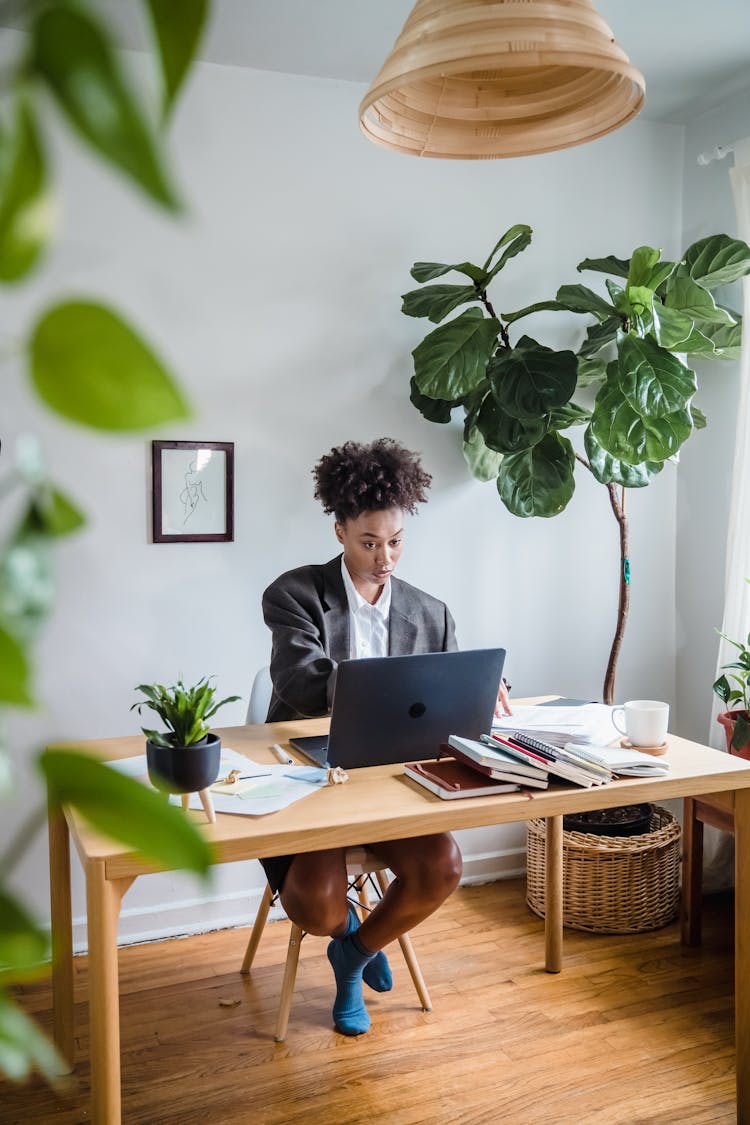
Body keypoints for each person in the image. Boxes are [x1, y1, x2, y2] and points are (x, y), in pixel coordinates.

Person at [261, 437, 506, 1037]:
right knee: (314, 905)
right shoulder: (295, 595)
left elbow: (446, 697)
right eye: (370, 542)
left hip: (394, 781)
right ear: (340, 530)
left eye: (396, 542)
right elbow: (299, 680)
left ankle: (354, 956)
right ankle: (349, 937)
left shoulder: (432, 612)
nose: (385, 557)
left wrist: (481, 689)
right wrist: (390, 688)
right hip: (311, 779)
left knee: (444, 866)